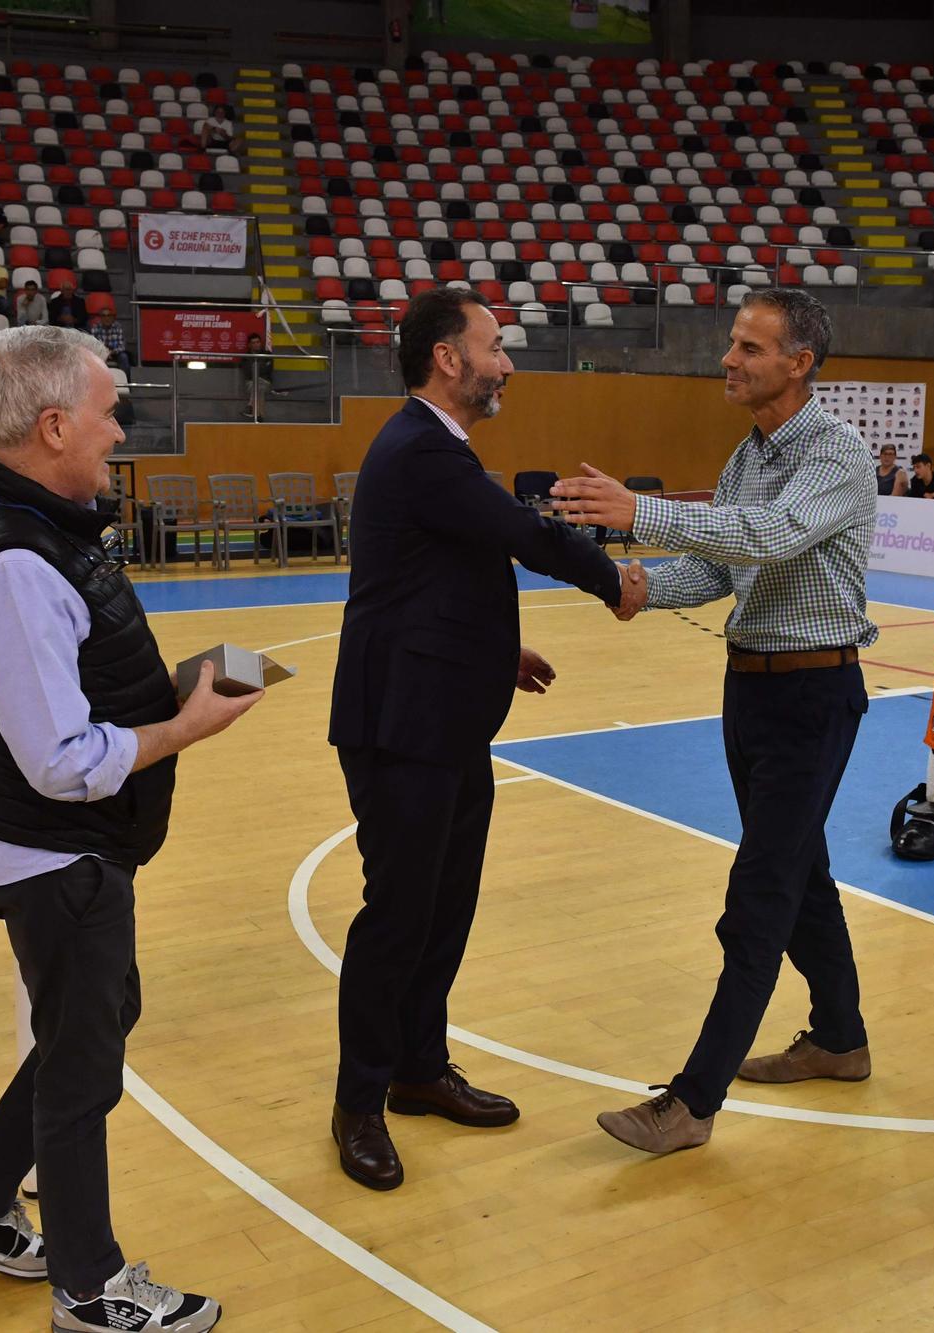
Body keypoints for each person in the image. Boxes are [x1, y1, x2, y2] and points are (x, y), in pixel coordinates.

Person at [0, 323, 254, 1333]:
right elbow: (59, 761)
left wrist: (174, 682)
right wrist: (184, 724)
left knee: (90, 1027)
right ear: (54, 423)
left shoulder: (45, 529)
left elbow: (80, 688)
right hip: (57, 856)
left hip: (67, 854)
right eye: (108, 410)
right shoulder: (21, 564)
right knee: (80, 1068)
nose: (119, 429)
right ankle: (90, 1288)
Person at [551, 287, 876, 1157]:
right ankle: (840, 1039)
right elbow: (721, 567)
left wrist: (641, 512)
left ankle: (692, 1102)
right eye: (732, 344)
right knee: (801, 874)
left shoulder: (835, 453)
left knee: (760, 896)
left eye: (748, 346)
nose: (728, 359)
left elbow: (769, 536)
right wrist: (640, 585)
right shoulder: (749, 452)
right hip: (754, 691)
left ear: (799, 362)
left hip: (813, 696)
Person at [326, 287, 626, 1191]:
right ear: (449, 360)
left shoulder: (436, 450)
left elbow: (441, 574)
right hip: (402, 727)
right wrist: (613, 579)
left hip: (444, 716)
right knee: (397, 918)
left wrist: (498, 651)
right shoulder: (423, 448)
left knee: (441, 910)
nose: (506, 363)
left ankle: (419, 1067)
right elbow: (522, 535)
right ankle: (359, 1101)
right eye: (494, 347)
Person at [239, 332, 269, 420]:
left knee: (259, 385)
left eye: (258, 342)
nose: (256, 344)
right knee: (258, 387)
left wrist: (257, 369)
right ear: (249, 345)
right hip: (251, 383)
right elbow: (249, 373)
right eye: (253, 343)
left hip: (266, 382)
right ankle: (260, 417)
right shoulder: (245, 357)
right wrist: (260, 367)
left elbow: (267, 371)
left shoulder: (267, 354)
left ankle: (250, 407)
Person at [92, 307, 129, 371]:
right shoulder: (95, 328)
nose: (107, 318)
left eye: (109, 315)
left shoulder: (117, 327)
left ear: (113, 318)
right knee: (94, 357)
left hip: (115, 353)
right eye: (104, 316)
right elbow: (93, 346)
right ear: (100, 318)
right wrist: (105, 352)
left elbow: (122, 346)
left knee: (124, 357)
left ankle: (127, 380)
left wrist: (112, 352)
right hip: (101, 352)